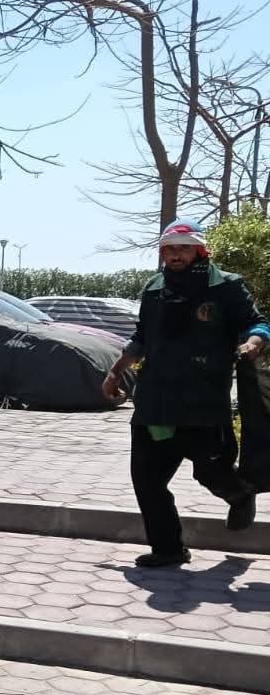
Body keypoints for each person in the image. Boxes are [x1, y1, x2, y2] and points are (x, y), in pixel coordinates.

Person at [102, 219, 270, 567]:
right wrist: (116, 371)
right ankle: (168, 549)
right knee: (147, 479)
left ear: (200, 251)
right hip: (155, 401)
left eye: (184, 248)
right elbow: (142, 337)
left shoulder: (225, 286)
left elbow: (256, 322)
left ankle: (240, 494)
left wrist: (254, 342)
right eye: (170, 249)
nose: (176, 255)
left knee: (210, 472)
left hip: (202, 401)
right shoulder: (154, 288)